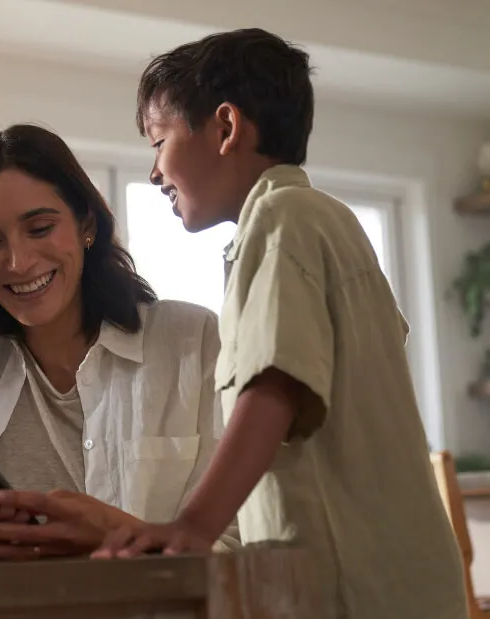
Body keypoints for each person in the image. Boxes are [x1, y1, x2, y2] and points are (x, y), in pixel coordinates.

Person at [83, 28, 467, 619]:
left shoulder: (282, 218)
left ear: (227, 128)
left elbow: (275, 384)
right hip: (394, 579)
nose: (155, 172)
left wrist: (193, 526)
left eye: (159, 142)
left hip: (349, 586)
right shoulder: (325, 221)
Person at [0, 124, 233, 562]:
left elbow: (242, 542)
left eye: (39, 228)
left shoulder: (194, 340)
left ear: (86, 225)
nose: (19, 262)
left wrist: (112, 536)